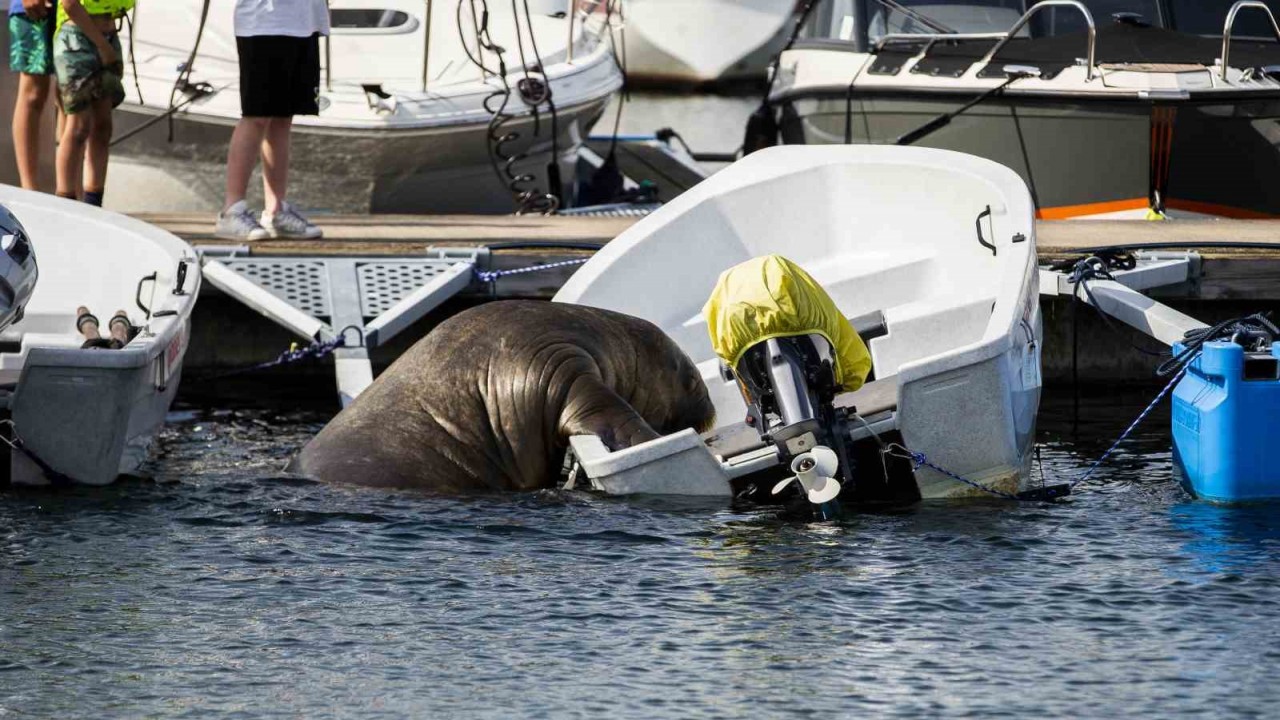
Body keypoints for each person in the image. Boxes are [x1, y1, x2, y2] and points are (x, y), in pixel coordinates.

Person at [214, 0, 327, 241]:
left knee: (282, 117)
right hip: (263, 23)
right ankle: (231, 211)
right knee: (256, 116)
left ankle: (276, 211)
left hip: (303, 22)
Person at [53, 0, 129, 207]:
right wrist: (103, 47)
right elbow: (69, 4)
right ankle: (65, 204)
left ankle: (93, 204)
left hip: (109, 36)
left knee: (103, 126)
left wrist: (107, 45)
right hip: (76, 40)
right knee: (78, 126)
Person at [8, 0, 57, 190]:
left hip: (79, 12)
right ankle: (29, 188)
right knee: (33, 94)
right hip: (35, 9)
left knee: (71, 98)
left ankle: (69, 192)